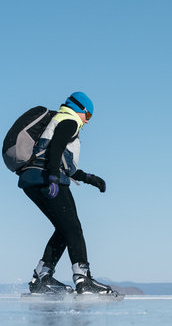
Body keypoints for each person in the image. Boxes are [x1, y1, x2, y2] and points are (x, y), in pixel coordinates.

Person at [17, 92, 114, 294]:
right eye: (88, 117)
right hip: (47, 179)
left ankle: (42, 277)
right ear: (81, 110)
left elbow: (65, 163)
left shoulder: (57, 120)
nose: (87, 122)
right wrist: (52, 177)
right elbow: (56, 148)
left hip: (32, 180)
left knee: (64, 228)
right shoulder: (68, 120)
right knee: (74, 227)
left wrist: (90, 179)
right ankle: (83, 279)